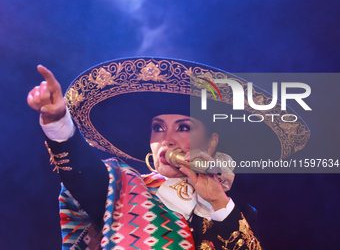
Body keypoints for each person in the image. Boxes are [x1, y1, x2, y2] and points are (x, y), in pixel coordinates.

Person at [27, 58, 309, 249]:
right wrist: (59, 123)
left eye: (184, 127)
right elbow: (83, 174)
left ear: (211, 143)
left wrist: (216, 202)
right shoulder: (121, 188)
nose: (168, 139)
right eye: (158, 128)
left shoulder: (238, 212)